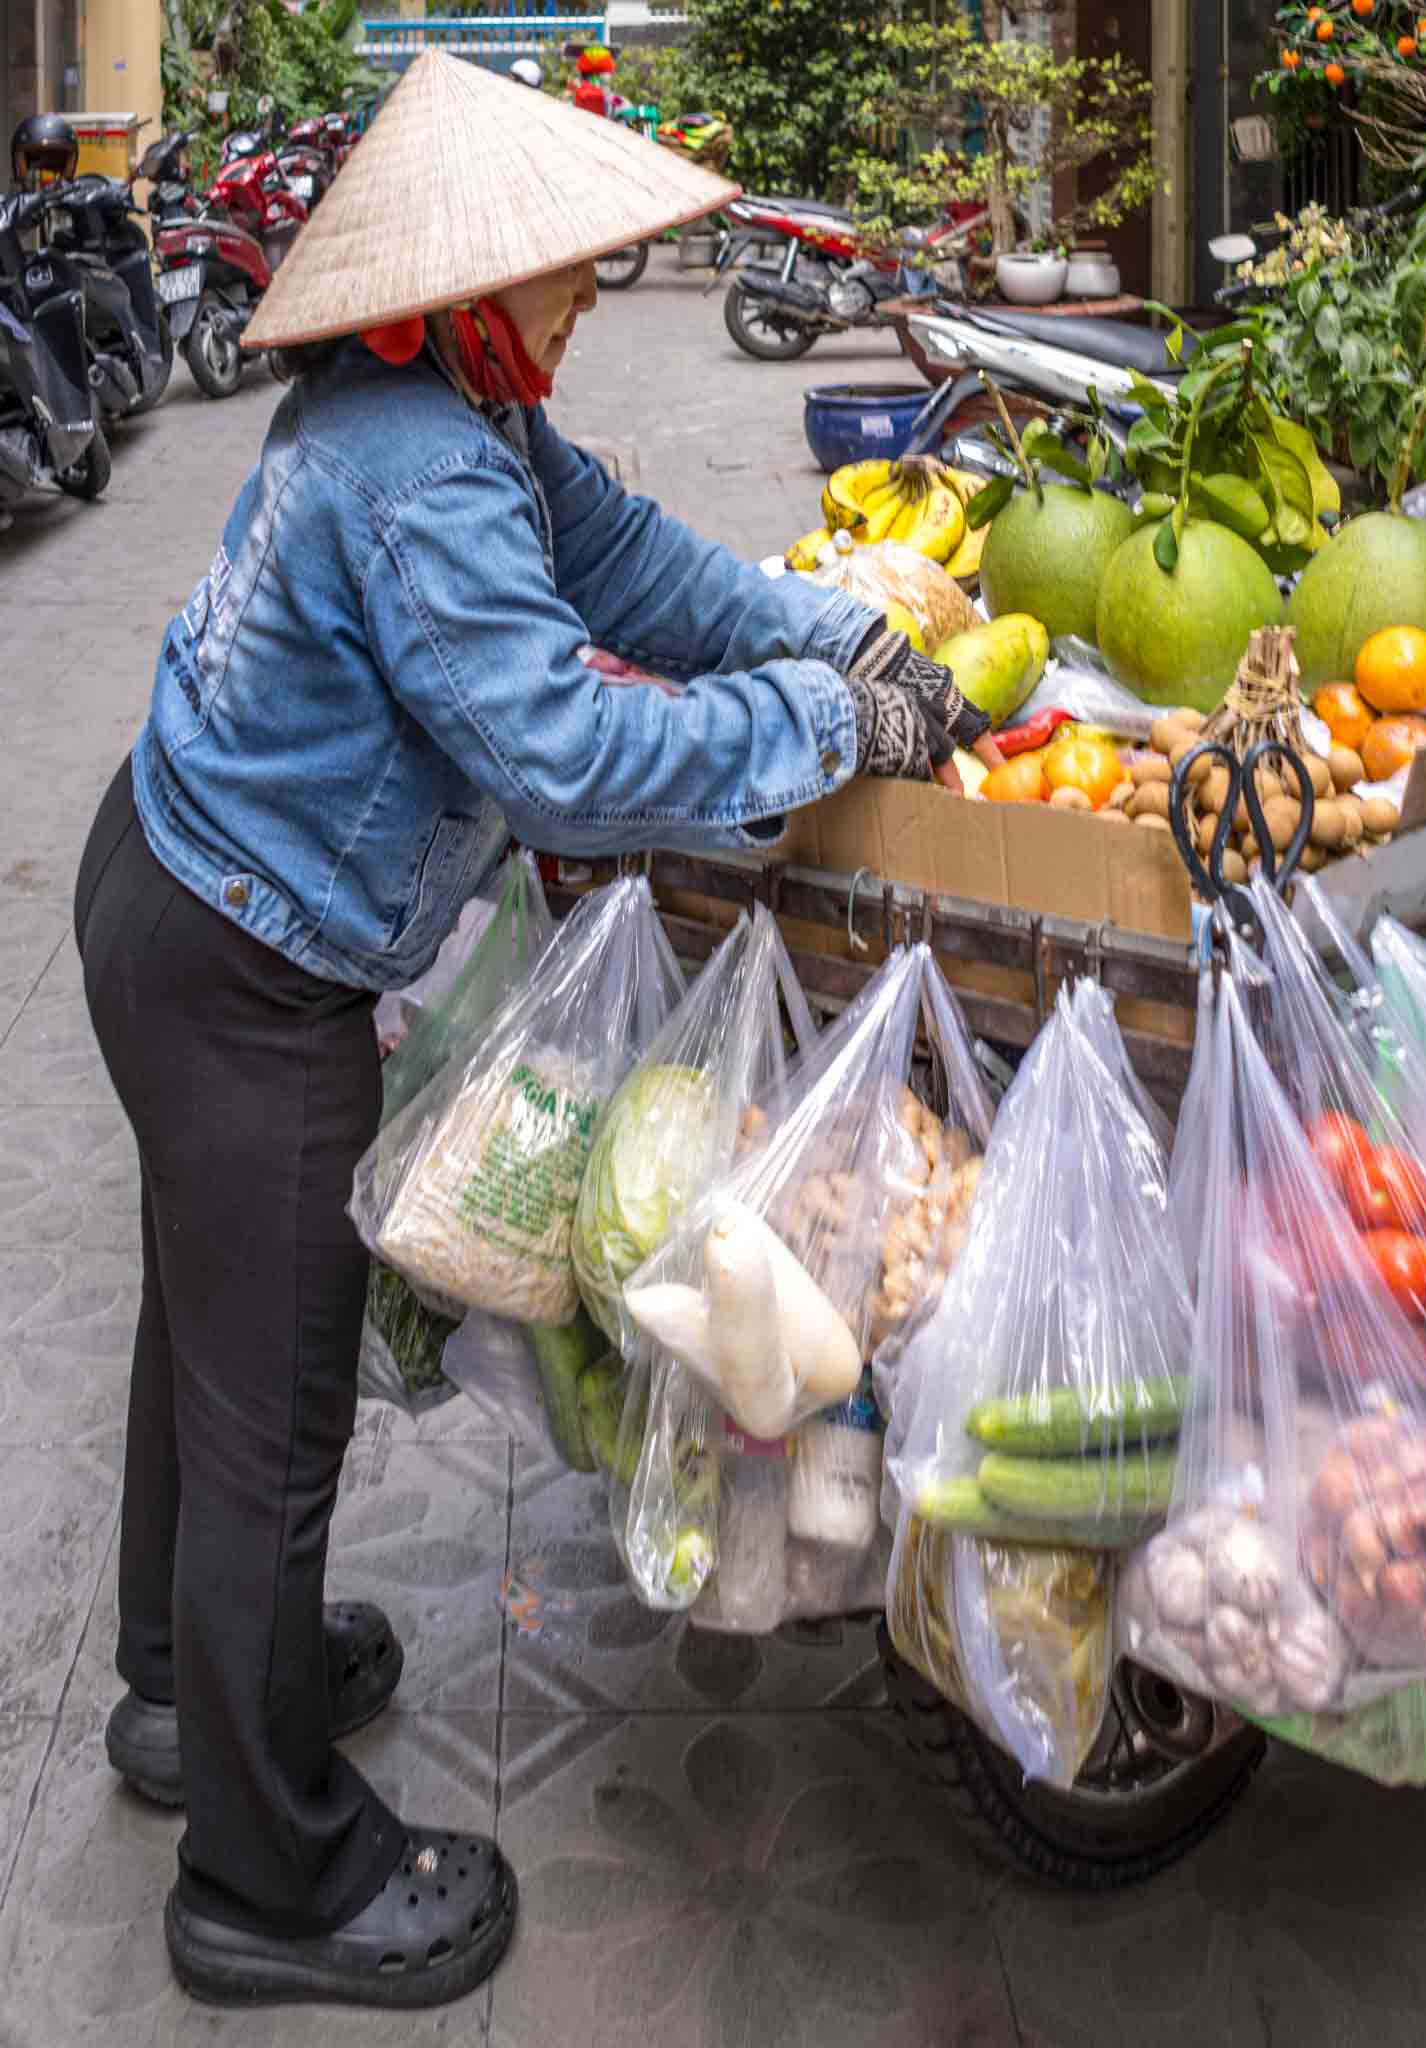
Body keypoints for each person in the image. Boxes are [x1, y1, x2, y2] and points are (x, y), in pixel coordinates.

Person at [71, 50, 995, 2013]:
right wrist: (836, 735)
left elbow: (641, 572)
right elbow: (569, 761)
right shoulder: (410, 463)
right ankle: (266, 1874)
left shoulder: (464, 411)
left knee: (204, 1343)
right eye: (566, 269)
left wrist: (847, 645)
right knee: (271, 1410)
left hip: (180, 904)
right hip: (237, 967)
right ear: (478, 283)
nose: (589, 296)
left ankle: (188, 1691)